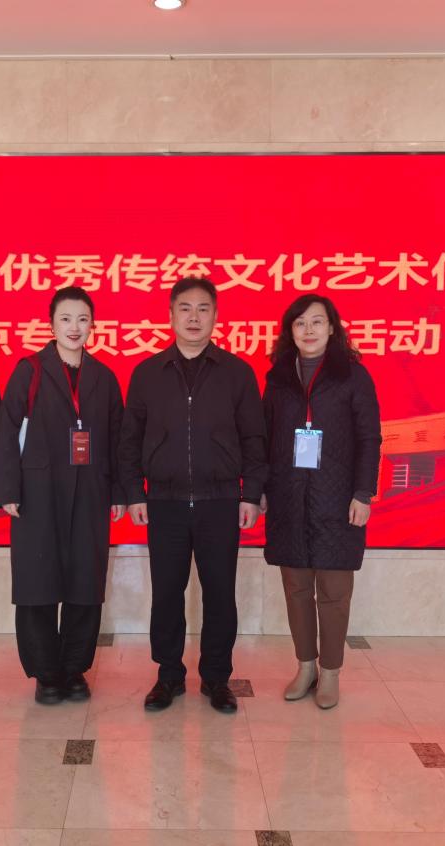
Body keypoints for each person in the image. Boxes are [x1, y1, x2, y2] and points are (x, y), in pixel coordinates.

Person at [119, 276, 267, 714]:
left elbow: (254, 439)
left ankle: (217, 678)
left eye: (203, 309)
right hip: (163, 503)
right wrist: (135, 493)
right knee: (167, 593)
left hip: (220, 502)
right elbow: (130, 441)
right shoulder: (147, 373)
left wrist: (251, 494)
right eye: (185, 308)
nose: (194, 317)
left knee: (220, 593)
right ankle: (168, 675)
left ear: (215, 316)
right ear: (170, 315)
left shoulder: (237, 373)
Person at [0, 288, 126, 704]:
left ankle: (74, 669)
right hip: (38, 493)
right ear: (51, 324)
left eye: (82, 319)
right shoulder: (29, 371)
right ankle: (46, 673)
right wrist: (7, 489)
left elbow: (119, 442)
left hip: (90, 492)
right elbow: (6, 432)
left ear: (93, 325)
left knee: (85, 582)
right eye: (66, 319)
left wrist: (120, 492)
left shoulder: (104, 378)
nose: (74, 327)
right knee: (39, 583)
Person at [261, 294, 382, 709]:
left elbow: (369, 438)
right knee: (296, 588)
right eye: (300, 323)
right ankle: (305, 667)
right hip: (288, 497)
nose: (308, 330)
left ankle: (330, 672)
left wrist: (363, 493)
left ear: (332, 328)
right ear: (290, 332)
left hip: (338, 498)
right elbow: (264, 437)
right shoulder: (278, 378)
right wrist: (261, 489)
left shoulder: (353, 376)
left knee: (333, 591)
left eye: (317, 322)